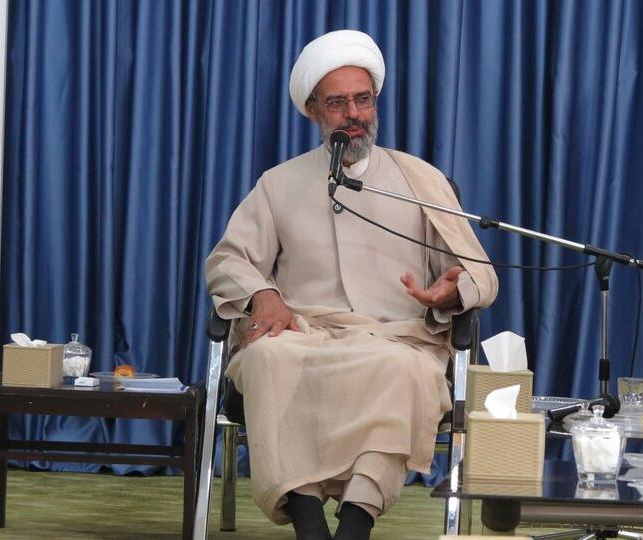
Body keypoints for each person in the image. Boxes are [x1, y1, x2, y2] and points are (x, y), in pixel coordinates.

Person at [205, 30, 499, 540]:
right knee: (268, 358)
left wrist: (452, 292)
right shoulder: (279, 183)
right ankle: (308, 521)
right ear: (313, 111)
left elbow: (480, 274)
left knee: (404, 369)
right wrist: (263, 295)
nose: (354, 114)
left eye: (363, 99)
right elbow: (227, 259)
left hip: (396, 338)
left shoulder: (419, 180)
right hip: (304, 334)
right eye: (338, 103)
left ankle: (356, 521)